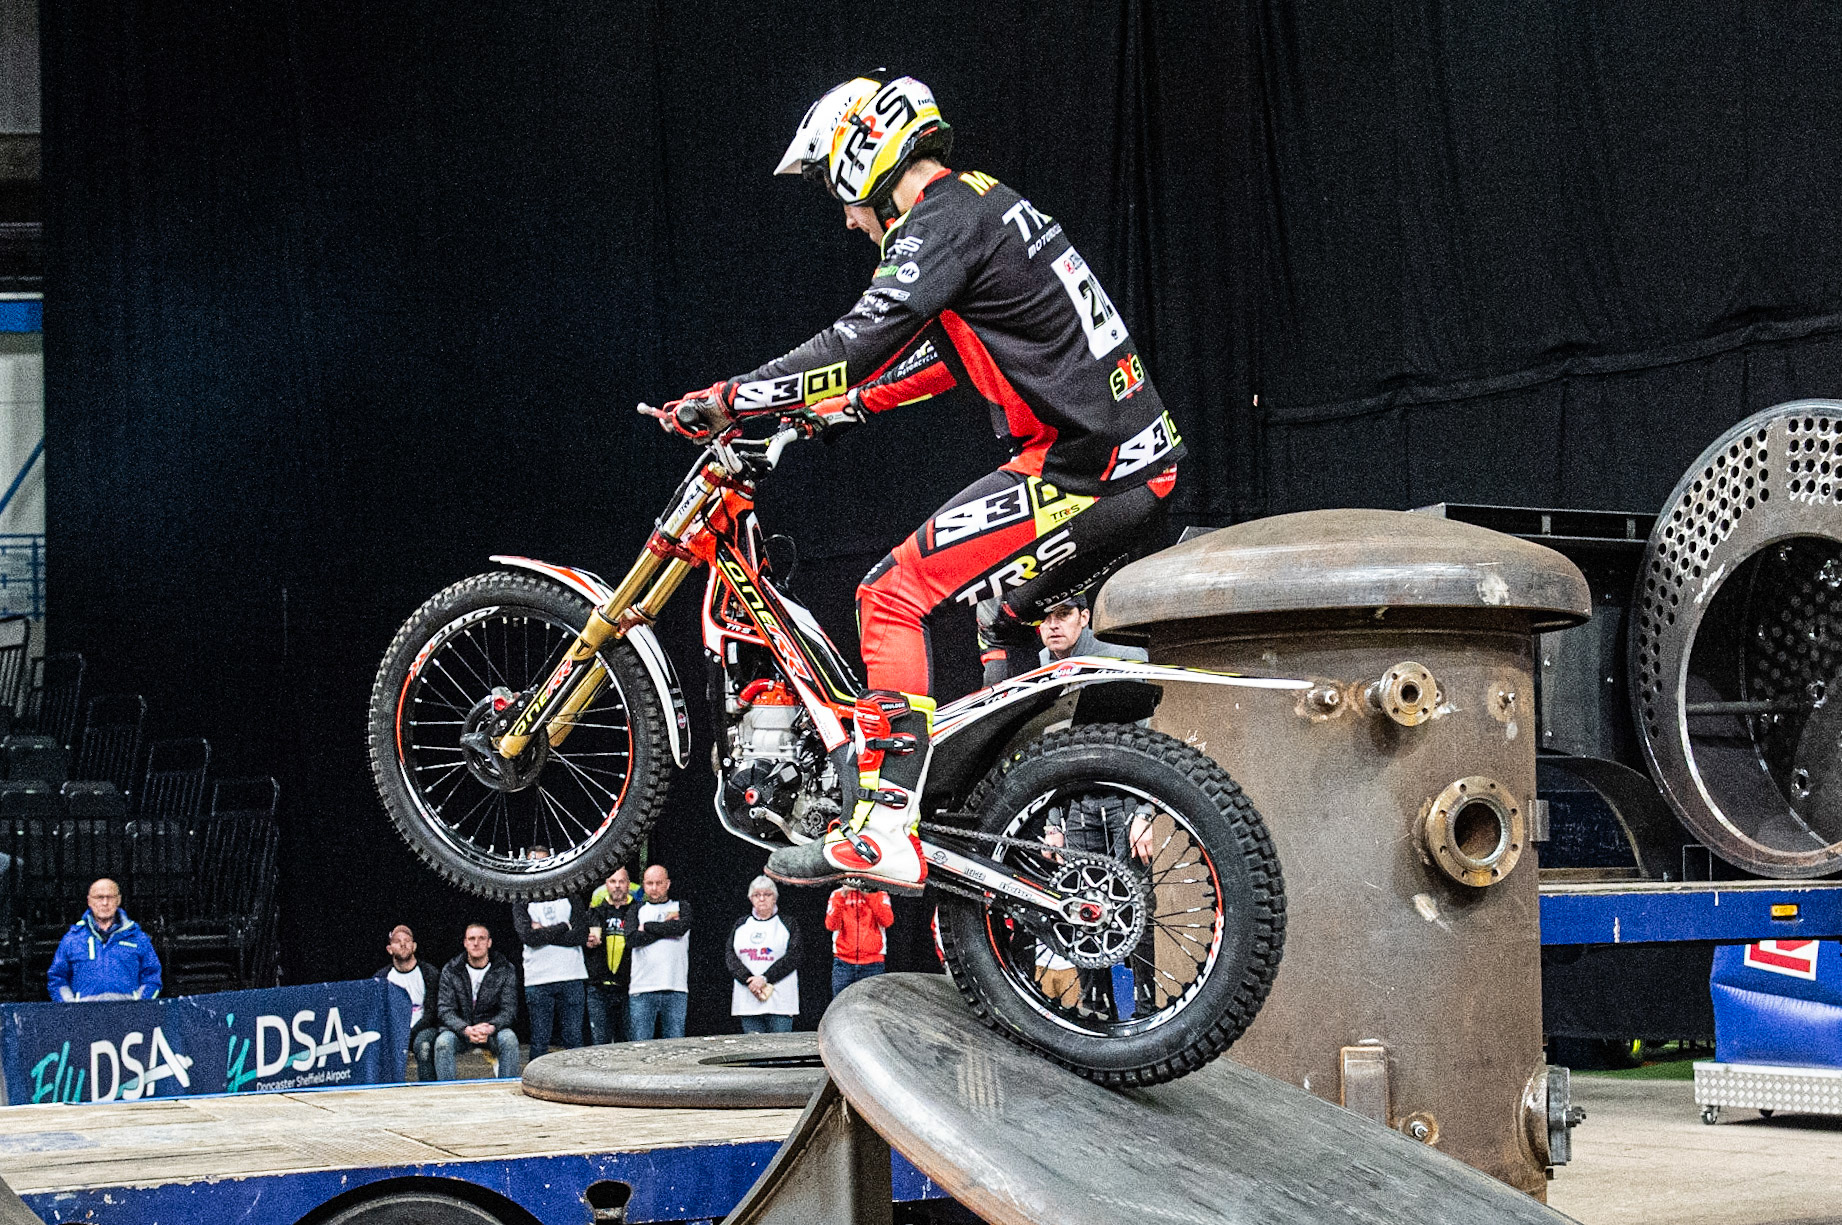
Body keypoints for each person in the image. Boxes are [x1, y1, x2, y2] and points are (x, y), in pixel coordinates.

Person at [663, 75, 1182, 896]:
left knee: (890, 595)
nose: (846, 217)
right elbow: (945, 355)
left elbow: (852, 344)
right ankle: (1001, 802)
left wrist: (731, 398)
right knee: (999, 617)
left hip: (1090, 468)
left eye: (837, 192)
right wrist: (839, 410)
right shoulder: (981, 205)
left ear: (862, 157)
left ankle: (885, 823)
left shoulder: (940, 222)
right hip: (1119, 459)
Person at [511, 845, 589, 1059]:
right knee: (539, 1041)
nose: (539, 867)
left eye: (544, 862)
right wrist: (564, 926)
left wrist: (542, 931)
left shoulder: (570, 893)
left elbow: (580, 935)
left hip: (572, 976)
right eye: (533, 863)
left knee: (574, 1039)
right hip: (538, 980)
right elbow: (528, 937)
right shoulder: (521, 898)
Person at [47, 878, 162, 1002]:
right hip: (84, 1014)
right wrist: (71, 1007)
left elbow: (152, 978)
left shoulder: (138, 938)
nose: (105, 902)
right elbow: (57, 979)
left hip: (127, 1013)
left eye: (110, 897)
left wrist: (138, 1005)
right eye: (99, 897)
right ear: (89, 901)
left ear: (118, 900)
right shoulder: (72, 939)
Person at [434, 923, 522, 1079]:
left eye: (481, 938)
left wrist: (490, 1027)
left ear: (489, 942)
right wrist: (465, 1029)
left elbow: (509, 1009)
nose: (476, 943)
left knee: (509, 1039)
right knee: (443, 1043)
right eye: (471, 939)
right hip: (461, 1031)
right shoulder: (452, 969)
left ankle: (506, 1088)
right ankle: (446, 1090)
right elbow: (445, 1009)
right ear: (465, 943)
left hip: (492, 1030)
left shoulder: (504, 969)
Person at [727, 876, 802, 1033]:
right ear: (750, 898)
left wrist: (765, 978)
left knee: (780, 1047)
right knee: (753, 1047)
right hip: (748, 1000)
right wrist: (748, 979)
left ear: (775, 898)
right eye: (757, 895)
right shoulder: (741, 925)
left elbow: (793, 956)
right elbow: (731, 956)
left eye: (767, 894)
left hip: (780, 1003)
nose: (761, 899)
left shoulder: (788, 924)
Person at [626, 865, 692, 1040]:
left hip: (675, 987)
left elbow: (680, 929)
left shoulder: (681, 907)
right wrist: (666, 928)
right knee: (641, 1043)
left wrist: (647, 926)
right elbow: (632, 939)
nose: (654, 888)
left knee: (675, 1044)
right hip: (642, 988)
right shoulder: (636, 910)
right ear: (643, 885)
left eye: (659, 883)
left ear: (667, 884)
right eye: (649, 883)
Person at [373, 924, 441, 1080]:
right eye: (397, 941)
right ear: (389, 949)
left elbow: (432, 1013)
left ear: (414, 946)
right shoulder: (381, 978)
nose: (403, 944)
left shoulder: (429, 973)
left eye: (407, 940)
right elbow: (377, 1014)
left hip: (422, 1029)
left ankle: (428, 1089)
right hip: (393, 1033)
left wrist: (410, 1033)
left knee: (424, 1046)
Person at [585, 865, 642, 1045]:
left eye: (621, 881)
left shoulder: (639, 911)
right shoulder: (594, 912)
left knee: (628, 1044)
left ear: (629, 885)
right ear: (606, 884)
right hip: (599, 989)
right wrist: (587, 942)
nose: (617, 886)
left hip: (629, 988)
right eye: (613, 881)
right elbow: (579, 941)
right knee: (600, 1044)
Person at [825, 884, 894, 999]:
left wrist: (868, 894)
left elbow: (887, 921)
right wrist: (843, 895)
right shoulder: (837, 894)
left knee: (872, 1006)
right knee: (841, 1006)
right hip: (843, 964)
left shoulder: (880, 893)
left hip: (873, 964)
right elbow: (831, 925)